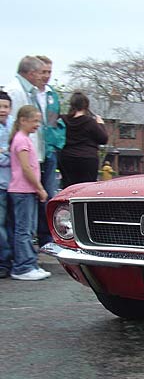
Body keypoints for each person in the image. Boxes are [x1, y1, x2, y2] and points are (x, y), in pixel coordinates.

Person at [8, 105, 50, 281]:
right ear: (23, 120)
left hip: (27, 190)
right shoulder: (21, 140)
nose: (37, 125)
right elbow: (26, 167)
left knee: (29, 229)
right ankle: (22, 266)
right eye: (34, 121)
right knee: (24, 230)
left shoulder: (23, 139)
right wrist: (40, 188)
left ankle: (30, 263)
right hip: (22, 190)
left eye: (38, 121)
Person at [34, 56, 66, 246]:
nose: (46, 76)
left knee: (49, 195)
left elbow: (55, 124)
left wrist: (56, 145)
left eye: (49, 72)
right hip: (31, 152)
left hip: (49, 152)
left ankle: (46, 237)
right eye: (43, 72)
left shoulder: (52, 95)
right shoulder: (28, 93)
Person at [58, 91, 108, 188]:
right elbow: (103, 139)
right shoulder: (90, 122)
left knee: (68, 188)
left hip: (67, 158)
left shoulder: (63, 119)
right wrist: (101, 124)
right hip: (87, 159)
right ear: (86, 105)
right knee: (86, 189)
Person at [4, 56, 44, 164]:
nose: (42, 77)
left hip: (29, 153)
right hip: (20, 155)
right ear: (31, 73)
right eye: (40, 73)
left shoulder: (31, 92)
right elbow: (11, 124)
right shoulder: (14, 92)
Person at [0, 91, 14, 278]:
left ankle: (14, 259)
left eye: (5, 106)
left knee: (16, 225)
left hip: (16, 185)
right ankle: (4, 261)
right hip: (1, 185)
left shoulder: (13, 126)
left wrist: (6, 152)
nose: (2, 110)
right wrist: (8, 153)